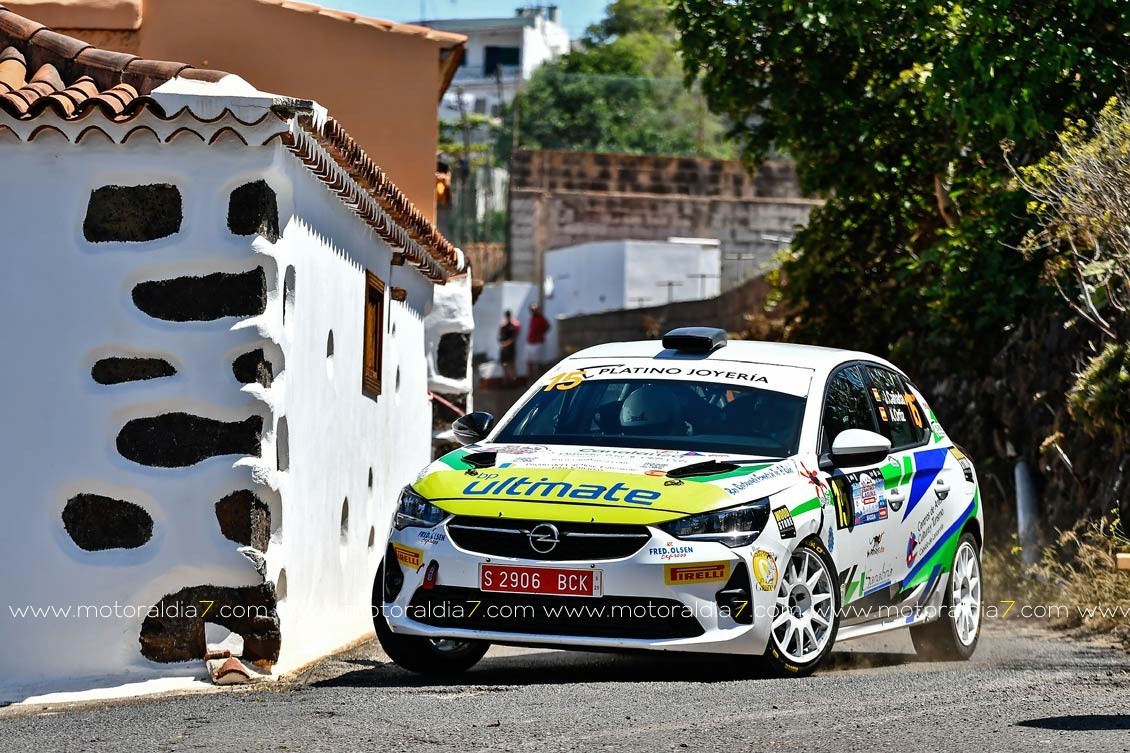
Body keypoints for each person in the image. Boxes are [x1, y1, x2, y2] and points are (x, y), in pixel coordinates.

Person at [526, 303, 551, 379]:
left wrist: (541, 334)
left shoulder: (541, 318)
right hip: (530, 343)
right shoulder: (532, 318)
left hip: (538, 343)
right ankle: (531, 379)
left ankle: (538, 379)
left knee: (538, 362)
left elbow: (548, 326)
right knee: (529, 362)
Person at [497, 309, 520, 385]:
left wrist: (506, 344)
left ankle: (513, 381)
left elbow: (514, 337)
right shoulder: (503, 326)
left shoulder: (515, 325)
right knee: (504, 365)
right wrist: (503, 344)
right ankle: (505, 381)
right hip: (504, 347)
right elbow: (500, 336)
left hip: (510, 347)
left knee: (512, 364)